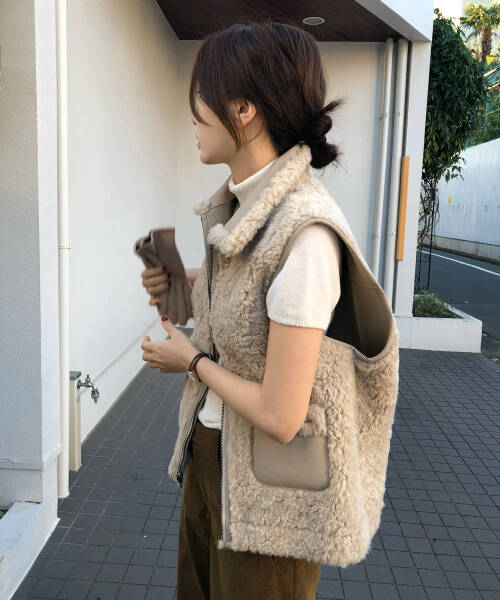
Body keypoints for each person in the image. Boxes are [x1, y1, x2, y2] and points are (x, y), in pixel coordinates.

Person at [140, 19, 399, 600]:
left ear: (245, 110)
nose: (193, 115)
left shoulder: (304, 234)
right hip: (212, 459)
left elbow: (283, 416)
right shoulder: (244, 212)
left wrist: (190, 362)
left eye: (201, 97)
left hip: (271, 501)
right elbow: (249, 297)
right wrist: (183, 281)